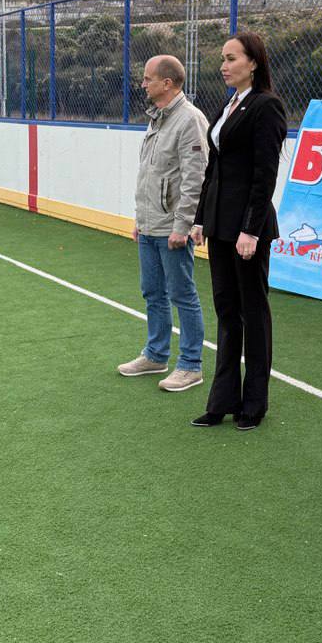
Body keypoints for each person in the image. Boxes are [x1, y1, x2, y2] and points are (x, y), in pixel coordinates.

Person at [190, 33, 287, 431]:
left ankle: (254, 403)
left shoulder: (266, 107)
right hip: (220, 226)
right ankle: (222, 400)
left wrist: (251, 228)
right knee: (227, 311)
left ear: (254, 63)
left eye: (231, 58)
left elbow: (265, 174)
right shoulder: (228, 105)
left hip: (248, 230)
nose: (223, 65)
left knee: (253, 312)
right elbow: (213, 170)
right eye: (223, 59)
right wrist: (200, 219)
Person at [118, 55, 211, 392]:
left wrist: (182, 226)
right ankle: (156, 354)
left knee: (182, 294)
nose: (143, 84)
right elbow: (150, 174)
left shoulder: (189, 120)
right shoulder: (157, 118)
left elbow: (194, 179)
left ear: (167, 83)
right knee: (153, 292)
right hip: (150, 224)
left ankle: (190, 365)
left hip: (172, 228)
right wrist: (140, 219)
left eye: (148, 79)